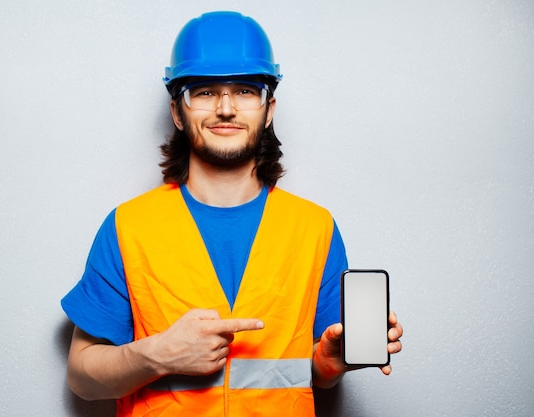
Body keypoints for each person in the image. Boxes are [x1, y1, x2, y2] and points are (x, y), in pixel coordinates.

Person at [61, 11, 403, 417]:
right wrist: (158, 355)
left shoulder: (314, 228)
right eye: (204, 92)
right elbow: (81, 378)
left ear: (268, 107)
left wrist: (327, 367)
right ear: (177, 111)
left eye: (244, 90)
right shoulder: (128, 227)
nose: (226, 108)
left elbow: (304, 371)